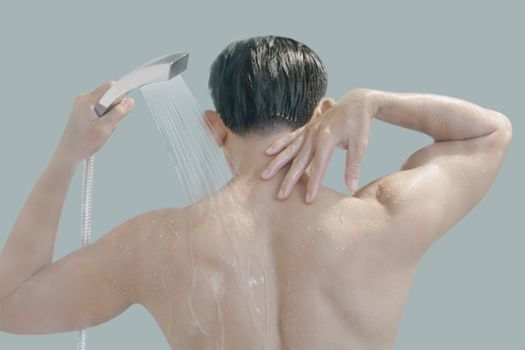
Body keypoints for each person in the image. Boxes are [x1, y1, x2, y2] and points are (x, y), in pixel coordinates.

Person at [0, 36, 512, 350]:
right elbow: (490, 133)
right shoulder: (387, 218)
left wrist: (69, 152)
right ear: (323, 115)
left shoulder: (157, 243)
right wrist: (376, 103)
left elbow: (12, 305)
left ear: (213, 127)